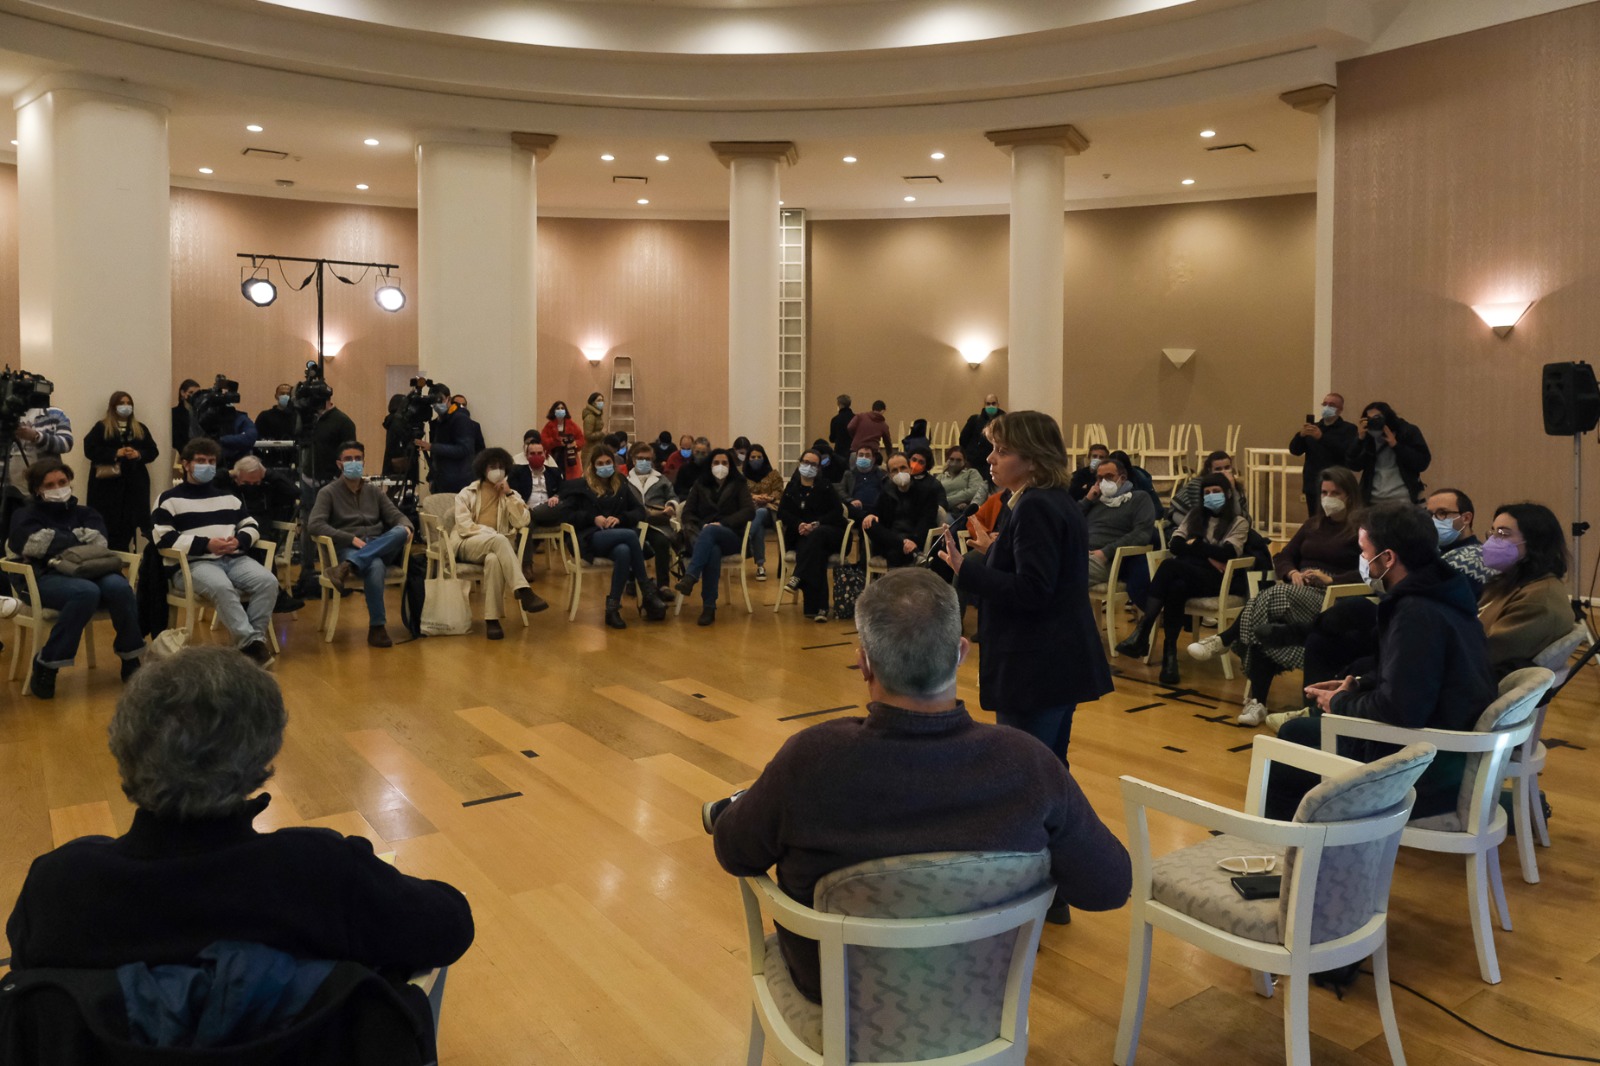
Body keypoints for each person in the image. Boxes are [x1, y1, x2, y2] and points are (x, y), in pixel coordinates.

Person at [709, 569, 1130, 988]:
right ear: (960, 653)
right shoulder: (1028, 764)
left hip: (834, 995)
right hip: (980, 989)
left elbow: (734, 851)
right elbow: (1109, 888)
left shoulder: (811, 760)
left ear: (864, 663)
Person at [4, 646, 474, 988]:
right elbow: (449, 925)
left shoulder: (58, 886)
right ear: (264, 750)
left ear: (122, 744)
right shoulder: (317, 870)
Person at [1267, 502, 1495, 821]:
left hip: (1425, 763)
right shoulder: (1441, 592)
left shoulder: (1416, 612)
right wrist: (1359, 685)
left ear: (1388, 558)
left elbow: (1402, 709)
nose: (1362, 560)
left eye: (1364, 551)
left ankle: (1288, 843)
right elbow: (1416, 676)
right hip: (1443, 744)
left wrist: (1340, 702)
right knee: (1302, 729)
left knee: (1292, 740)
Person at [942, 411, 1114, 766]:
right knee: (1049, 768)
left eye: (1002, 451)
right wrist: (995, 551)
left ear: (1034, 458)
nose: (990, 459)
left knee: (1024, 771)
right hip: (1054, 661)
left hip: (1036, 668)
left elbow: (1033, 590)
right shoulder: (1049, 499)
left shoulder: (1035, 505)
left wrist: (966, 570)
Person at [1202, 466, 1362, 725]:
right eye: (1324, 492)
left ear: (1349, 496)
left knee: (1274, 595)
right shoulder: (1312, 524)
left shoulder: (1360, 528)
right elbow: (1283, 556)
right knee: (1266, 625)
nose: (1328, 498)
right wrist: (1292, 572)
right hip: (1298, 591)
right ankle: (1258, 703)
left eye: (1335, 493)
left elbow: (1369, 570)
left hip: (1333, 599)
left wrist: (1331, 580)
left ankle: (1228, 638)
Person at [6, 458, 145, 698]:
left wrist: (53, 539)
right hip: (43, 577)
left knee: (120, 587)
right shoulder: (24, 514)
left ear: (70, 481)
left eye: (62, 482)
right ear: (37, 489)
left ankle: (130, 657)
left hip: (91, 570)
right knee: (85, 592)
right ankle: (48, 663)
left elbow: (99, 542)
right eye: (50, 485)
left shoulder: (86, 512)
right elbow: (30, 544)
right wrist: (77, 537)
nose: (58, 488)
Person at [151, 438, 282, 666]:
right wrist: (206, 544)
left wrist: (239, 540)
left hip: (234, 559)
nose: (207, 466)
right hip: (192, 564)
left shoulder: (228, 498)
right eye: (201, 461)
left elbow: (251, 526)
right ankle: (251, 646)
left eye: (211, 461)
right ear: (186, 464)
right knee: (222, 587)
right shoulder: (168, 499)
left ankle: (252, 643)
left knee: (268, 582)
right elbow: (163, 538)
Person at [1115, 472, 1250, 686]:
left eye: (1216, 492)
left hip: (1217, 580)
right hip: (1189, 574)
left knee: (1169, 566)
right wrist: (1208, 554)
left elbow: (1228, 554)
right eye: (1207, 493)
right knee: (1176, 587)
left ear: (1227, 494)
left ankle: (1144, 629)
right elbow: (1176, 545)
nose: (1211, 496)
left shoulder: (1238, 522)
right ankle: (1169, 656)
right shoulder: (1195, 515)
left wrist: (1195, 545)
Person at [308, 441, 414, 647]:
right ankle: (377, 627)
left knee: (401, 530)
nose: (354, 462)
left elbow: (398, 516)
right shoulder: (328, 493)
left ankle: (348, 565)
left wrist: (407, 526)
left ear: (364, 462)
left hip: (377, 543)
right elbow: (314, 524)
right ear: (339, 464)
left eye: (358, 458)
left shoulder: (374, 492)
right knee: (375, 565)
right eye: (348, 459)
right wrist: (350, 538)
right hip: (349, 547)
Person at [558, 446, 667, 628]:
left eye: (608, 462)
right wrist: (593, 519)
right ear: (593, 466)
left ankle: (612, 609)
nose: (605, 466)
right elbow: (566, 514)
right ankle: (647, 592)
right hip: (591, 537)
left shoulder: (621, 483)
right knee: (631, 535)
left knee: (624, 551)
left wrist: (621, 518)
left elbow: (639, 511)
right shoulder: (581, 486)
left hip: (617, 536)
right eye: (600, 463)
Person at [453, 447, 548, 638]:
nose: (498, 470)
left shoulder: (510, 494)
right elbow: (464, 526)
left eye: (501, 467)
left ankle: (492, 620)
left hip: (496, 549)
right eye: (493, 467)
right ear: (483, 469)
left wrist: (509, 495)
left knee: (494, 560)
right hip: (466, 544)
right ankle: (523, 590)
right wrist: (491, 533)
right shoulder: (468, 492)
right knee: (499, 539)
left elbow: (522, 521)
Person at [1477, 503, 1574, 676]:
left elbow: (1483, 652)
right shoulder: (1512, 582)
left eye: (1503, 534)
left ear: (1535, 542)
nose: (1491, 541)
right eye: (1492, 532)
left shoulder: (1538, 600)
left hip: (1479, 681)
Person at [673, 447, 754, 626]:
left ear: (730, 465)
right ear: (710, 465)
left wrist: (723, 523)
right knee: (713, 550)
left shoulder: (739, 483)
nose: (720, 466)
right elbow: (687, 513)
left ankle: (691, 576)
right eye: (716, 462)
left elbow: (749, 511)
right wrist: (701, 526)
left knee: (711, 532)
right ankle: (708, 607)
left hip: (732, 536)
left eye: (724, 463)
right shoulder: (700, 484)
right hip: (704, 538)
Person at [295, 390, 357, 596]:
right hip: (308, 481)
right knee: (307, 525)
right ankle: (306, 572)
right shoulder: (309, 421)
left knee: (334, 527)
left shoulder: (343, 422)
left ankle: (336, 573)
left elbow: (350, 453)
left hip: (331, 482)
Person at [82, 390, 159, 552]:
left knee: (130, 526)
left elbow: (153, 451)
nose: (126, 406)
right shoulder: (101, 427)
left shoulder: (140, 428)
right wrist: (115, 453)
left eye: (129, 403)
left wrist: (138, 454)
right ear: (113, 406)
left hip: (134, 486)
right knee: (108, 527)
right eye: (122, 403)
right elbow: (90, 450)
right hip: (107, 488)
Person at [231, 454, 305, 614]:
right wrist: (229, 473)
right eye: (246, 483)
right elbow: (215, 481)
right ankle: (275, 595)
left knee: (263, 544)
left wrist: (267, 473)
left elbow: (295, 492)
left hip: (265, 536)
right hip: (238, 537)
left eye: (256, 483)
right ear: (237, 479)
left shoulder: (266, 489)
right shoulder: (230, 490)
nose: (252, 487)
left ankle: (264, 596)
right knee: (257, 545)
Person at [776, 448, 844, 622]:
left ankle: (797, 576)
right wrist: (799, 524)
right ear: (800, 463)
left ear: (819, 468)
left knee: (817, 537)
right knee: (815, 553)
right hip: (802, 535)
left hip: (828, 532)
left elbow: (837, 512)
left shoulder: (826, 486)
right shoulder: (792, 487)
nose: (809, 466)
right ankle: (818, 609)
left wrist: (816, 524)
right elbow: (782, 512)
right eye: (806, 462)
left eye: (814, 464)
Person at [1083, 456, 1158, 592]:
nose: (1103, 482)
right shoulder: (1095, 500)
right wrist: (1087, 500)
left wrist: (1106, 552)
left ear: (1122, 478)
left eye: (1109, 477)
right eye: (1099, 478)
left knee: (1064, 575)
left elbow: (1141, 534)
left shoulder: (1139, 498)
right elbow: (1070, 522)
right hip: (1081, 553)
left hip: (1108, 560)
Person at [861, 452, 940, 569]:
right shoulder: (885, 493)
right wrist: (870, 515)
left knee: (895, 554)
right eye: (894, 470)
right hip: (891, 538)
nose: (900, 472)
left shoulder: (927, 492)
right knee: (869, 524)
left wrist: (913, 541)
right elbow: (876, 512)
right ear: (889, 475)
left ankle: (910, 551)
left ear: (910, 469)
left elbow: (927, 521)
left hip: (914, 538)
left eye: (903, 468)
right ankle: (914, 552)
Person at [1289, 392, 1358, 518]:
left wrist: (1321, 438)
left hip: (1336, 484)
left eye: (1332, 405)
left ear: (1340, 409)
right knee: (1315, 519)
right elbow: (1295, 450)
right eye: (1325, 404)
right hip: (1313, 483)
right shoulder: (1314, 427)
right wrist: (1301, 435)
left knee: (1335, 518)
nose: (1327, 407)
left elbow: (1346, 452)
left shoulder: (1349, 429)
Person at [1347, 400, 1431, 504]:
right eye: (1369, 419)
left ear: (1387, 417)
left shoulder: (1406, 431)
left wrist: (1396, 445)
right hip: (1373, 498)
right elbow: (1354, 465)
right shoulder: (1367, 436)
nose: (1374, 422)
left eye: (1377, 418)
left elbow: (1422, 463)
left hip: (1403, 497)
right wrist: (1359, 439)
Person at [624, 445, 679, 591]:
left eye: (647, 459)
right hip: (634, 524)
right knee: (631, 542)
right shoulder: (625, 481)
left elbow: (673, 497)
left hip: (656, 524)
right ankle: (632, 580)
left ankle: (663, 585)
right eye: (640, 458)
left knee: (662, 542)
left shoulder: (661, 480)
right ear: (633, 460)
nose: (644, 462)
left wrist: (670, 506)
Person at [3, 396, 74, 499]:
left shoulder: (54, 413)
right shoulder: (5, 415)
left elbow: (66, 444)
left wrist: (36, 436)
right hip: (11, 487)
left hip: (46, 487)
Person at [418, 388, 484, 494]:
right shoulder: (437, 423)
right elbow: (435, 456)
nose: (460, 406)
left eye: (463, 404)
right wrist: (431, 477)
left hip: (461, 480)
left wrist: (432, 447)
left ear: (448, 399)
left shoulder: (466, 422)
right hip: (441, 479)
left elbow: (472, 451)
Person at [1168, 449, 1250, 529]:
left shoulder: (1235, 485)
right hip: (1186, 517)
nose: (1223, 472)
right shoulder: (1197, 485)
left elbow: (1239, 516)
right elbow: (1199, 515)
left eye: (1227, 467)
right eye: (1218, 469)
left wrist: (1233, 489)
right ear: (1209, 470)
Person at [742, 442, 784, 581]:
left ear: (764, 458)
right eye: (753, 457)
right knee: (758, 525)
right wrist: (753, 497)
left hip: (769, 511)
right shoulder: (741, 477)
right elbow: (739, 493)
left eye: (759, 457)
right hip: (750, 512)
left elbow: (779, 491)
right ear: (748, 459)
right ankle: (760, 566)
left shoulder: (773, 475)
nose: (756, 460)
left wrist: (769, 498)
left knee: (761, 512)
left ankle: (745, 538)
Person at [958, 393, 1004, 478]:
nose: (991, 406)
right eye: (988, 404)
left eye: (993, 403)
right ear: (984, 405)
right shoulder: (975, 420)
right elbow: (963, 439)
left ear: (998, 405)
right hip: (974, 462)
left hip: (995, 461)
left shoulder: (1004, 422)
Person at [541, 400, 586, 480]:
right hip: (554, 456)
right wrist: (556, 442)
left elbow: (581, 439)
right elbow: (544, 441)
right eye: (558, 408)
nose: (560, 410)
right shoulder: (549, 426)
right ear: (554, 411)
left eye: (562, 408)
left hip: (569, 459)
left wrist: (575, 443)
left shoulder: (572, 425)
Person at [937, 446, 984, 519]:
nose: (954, 463)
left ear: (964, 461)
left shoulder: (971, 473)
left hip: (964, 512)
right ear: (947, 460)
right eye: (951, 459)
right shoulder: (941, 477)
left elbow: (974, 491)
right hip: (943, 511)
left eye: (958, 460)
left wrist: (947, 501)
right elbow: (935, 496)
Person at [840, 444, 885, 517]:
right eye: (861, 455)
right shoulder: (849, 474)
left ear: (873, 459)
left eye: (867, 455)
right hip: (856, 511)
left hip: (877, 511)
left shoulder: (881, 475)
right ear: (856, 458)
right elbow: (840, 490)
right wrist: (850, 500)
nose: (864, 458)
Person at [170, 378, 200, 454]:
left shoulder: (202, 413)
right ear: (182, 393)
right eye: (191, 392)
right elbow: (175, 438)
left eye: (197, 393)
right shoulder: (174, 413)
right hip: (184, 452)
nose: (194, 396)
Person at [828, 394, 854, 460]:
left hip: (839, 452)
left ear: (839, 405)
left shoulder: (835, 419)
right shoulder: (855, 418)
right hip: (852, 451)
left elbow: (832, 439)